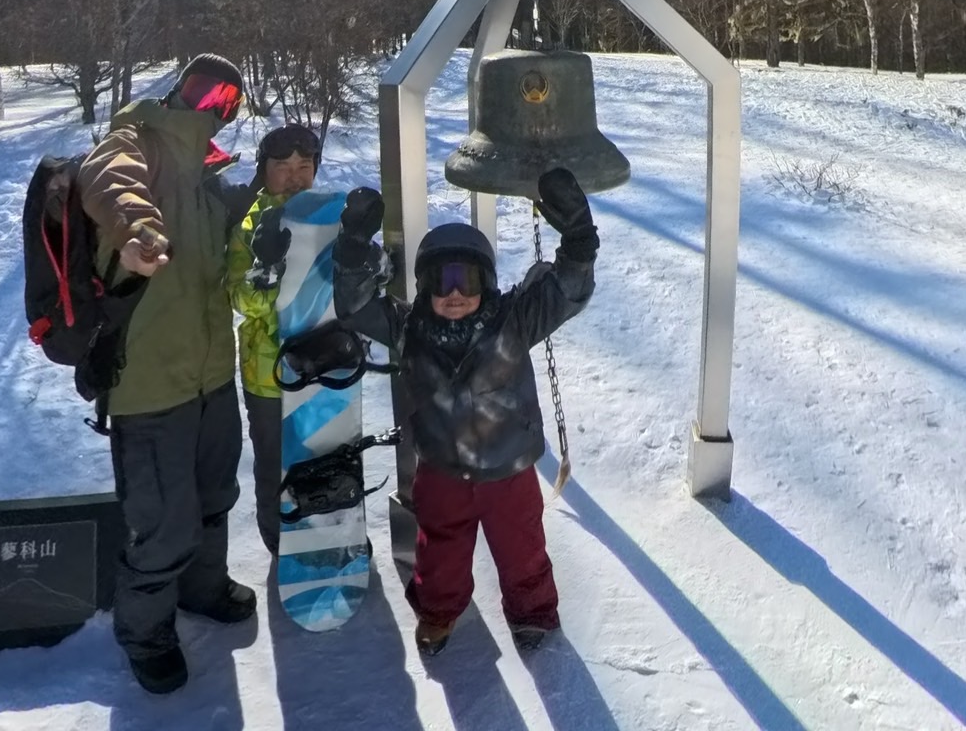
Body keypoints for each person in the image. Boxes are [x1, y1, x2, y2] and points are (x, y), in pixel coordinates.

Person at [330, 166, 599, 656]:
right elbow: (354, 307)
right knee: (440, 553)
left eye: (467, 279)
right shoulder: (408, 329)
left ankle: (532, 612)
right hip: (442, 471)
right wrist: (352, 251)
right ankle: (438, 611)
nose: (454, 293)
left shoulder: (514, 320)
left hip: (509, 471)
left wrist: (579, 240)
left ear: (487, 283)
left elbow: (567, 292)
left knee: (522, 549)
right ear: (424, 287)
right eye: (441, 281)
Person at [77, 54, 259, 696]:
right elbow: (109, 180)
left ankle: (202, 589)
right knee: (160, 521)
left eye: (228, 100)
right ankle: (146, 632)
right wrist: (136, 229)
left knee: (214, 496)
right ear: (181, 88)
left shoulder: (207, 169)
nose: (215, 107)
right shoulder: (137, 139)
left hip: (212, 374)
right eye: (206, 91)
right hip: (150, 381)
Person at [224, 122, 322, 556]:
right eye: (283, 166)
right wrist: (266, 270)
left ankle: (331, 530)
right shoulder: (250, 224)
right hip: (269, 373)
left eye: (304, 166)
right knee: (276, 463)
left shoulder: (328, 216)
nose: (295, 176)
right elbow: (242, 299)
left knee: (326, 452)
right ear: (264, 170)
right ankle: (280, 539)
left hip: (324, 365)